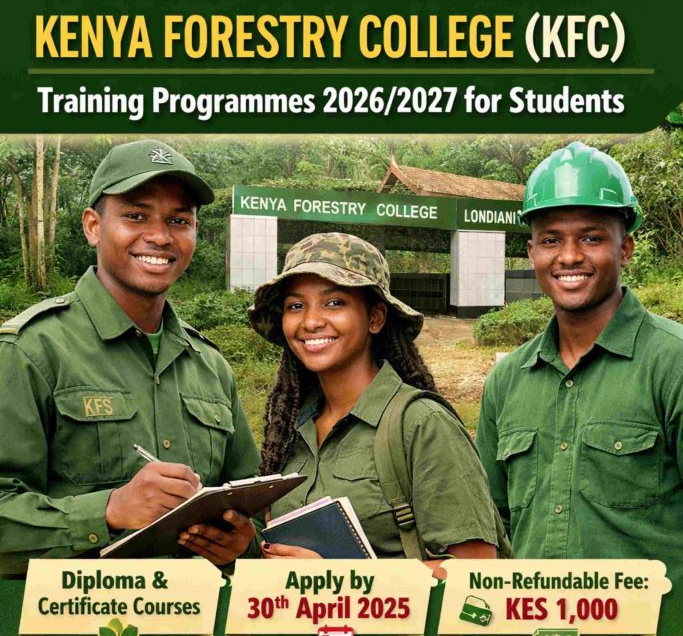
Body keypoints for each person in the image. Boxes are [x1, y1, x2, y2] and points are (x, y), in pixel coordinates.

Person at [0, 139, 259, 576]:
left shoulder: (211, 367)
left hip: (200, 632)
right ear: (93, 226)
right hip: (73, 633)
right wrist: (108, 511)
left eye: (179, 220)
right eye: (136, 216)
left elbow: (251, 505)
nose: (160, 236)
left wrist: (242, 544)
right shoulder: (29, 351)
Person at [476, 141, 683, 578]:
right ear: (532, 253)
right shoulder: (508, 379)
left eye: (591, 237)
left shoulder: (672, 362)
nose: (569, 256)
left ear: (624, 249)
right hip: (534, 635)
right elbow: (493, 527)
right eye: (551, 240)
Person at [247, 231, 505, 571]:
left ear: (375, 318)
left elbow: (475, 571)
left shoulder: (421, 423)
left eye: (334, 302)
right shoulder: (289, 431)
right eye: (296, 306)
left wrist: (334, 578)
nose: (310, 321)